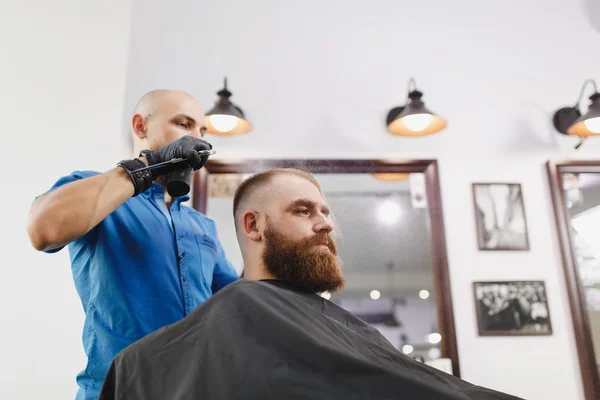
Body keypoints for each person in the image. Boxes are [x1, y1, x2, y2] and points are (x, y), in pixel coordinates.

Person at [97, 167, 525, 400]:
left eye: (325, 211)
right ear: (253, 225)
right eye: (304, 211)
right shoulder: (244, 308)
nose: (326, 223)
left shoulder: (337, 325)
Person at [26, 89, 240, 400]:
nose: (197, 140)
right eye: (184, 124)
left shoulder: (201, 225)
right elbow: (43, 229)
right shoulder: (95, 190)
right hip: (118, 391)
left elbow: (233, 305)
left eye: (202, 132)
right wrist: (146, 166)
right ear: (140, 126)